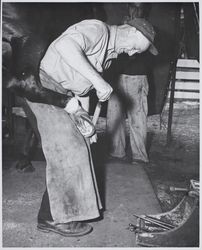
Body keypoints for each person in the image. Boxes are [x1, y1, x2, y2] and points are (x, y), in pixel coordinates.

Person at [6, 18, 157, 237]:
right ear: (131, 30)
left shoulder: (108, 56)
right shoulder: (98, 29)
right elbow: (65, 46)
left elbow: (82, 91)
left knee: (80, 144)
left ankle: (55, 213)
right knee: (67, 149)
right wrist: (98, 81)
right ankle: (52, 219)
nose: (133, 53)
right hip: (43, 85)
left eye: (136, 52)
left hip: (63, 94)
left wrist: (84, 121)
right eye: (136, 47)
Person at [106, 3, 157, 164]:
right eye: (132, 6)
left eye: (139, 7)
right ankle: (116, 152)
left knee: (137, 119)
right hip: (118, 78)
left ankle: (139, 156)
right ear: (127, 8)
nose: (135, 11)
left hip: (138, 79)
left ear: (145, 9)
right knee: (114, 117)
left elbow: (148, 55)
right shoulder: (121, 27)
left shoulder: (149, 30)